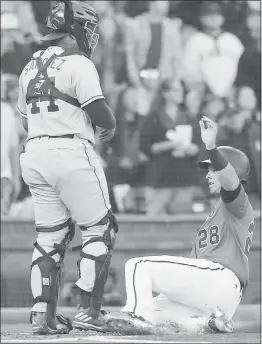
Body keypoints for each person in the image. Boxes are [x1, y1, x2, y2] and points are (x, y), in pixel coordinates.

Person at [17, 0, 118, 335]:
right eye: (87, 28)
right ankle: (89, 311)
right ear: (73, 30)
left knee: (50, 235)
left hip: (34, 153)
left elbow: (24, 118)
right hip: (71, 150)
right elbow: (100, 112)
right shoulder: (78, 63)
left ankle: (41, 315)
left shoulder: (28, 68)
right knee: (100, 230)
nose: (91, 34)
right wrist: (110, 126)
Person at [105, 116, 255, 334]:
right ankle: (207, 324)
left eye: (213, 169)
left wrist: (211, 147)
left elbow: (231, 181)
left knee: (138, 266)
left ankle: (138, 317)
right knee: (154, 308)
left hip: (219, 277)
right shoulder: (220, 210)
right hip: (218, 296)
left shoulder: (237, 201)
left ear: (230, 170)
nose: (208, 175)